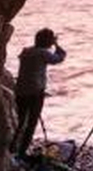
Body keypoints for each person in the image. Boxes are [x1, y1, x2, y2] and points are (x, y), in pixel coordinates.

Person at [11, 28, 65, 157]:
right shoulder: (43, 53)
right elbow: (59, 58)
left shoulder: (26, 52)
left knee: (20, 121)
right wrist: (57, 45)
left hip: (20, 91)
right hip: (35, 92)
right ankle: (22, 152)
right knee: (31, 123)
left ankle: (12, 147)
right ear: (48, 41)